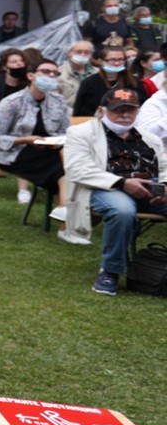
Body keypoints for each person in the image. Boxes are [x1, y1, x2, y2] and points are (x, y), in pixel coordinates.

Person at [60, 87, 167, 293]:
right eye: (118, 110)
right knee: (122, 211)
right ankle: (110, 271)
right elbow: (77, 170)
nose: (125, 115)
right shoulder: (81, 133)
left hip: (149, 188)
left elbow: (163, 166)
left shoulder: (149, 138)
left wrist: (165, 186)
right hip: (105, 187)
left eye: (131, 110)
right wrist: (122, 183)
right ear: (102, 111)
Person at [0, 57, 70, 215]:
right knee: (62, 169)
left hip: (49, 150)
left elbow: (65, 131)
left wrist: (58, 141)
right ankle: (65, 213)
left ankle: (65, 211)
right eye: (46, 71)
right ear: (31, 76)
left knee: (70, 165)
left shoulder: (58, 101)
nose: (51, 75)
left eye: (55, 73)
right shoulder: (11, 103)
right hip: (15, 151)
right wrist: (24, 140)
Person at [73, 43, 138, 117]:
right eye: (112, 60)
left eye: (120, 59)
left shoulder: (133, 81)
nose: (117, 63)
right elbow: (78, 108)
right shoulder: (89, 82)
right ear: (101, 61)